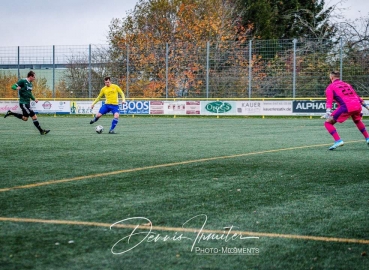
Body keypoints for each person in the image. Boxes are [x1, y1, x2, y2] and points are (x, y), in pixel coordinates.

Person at [322, 71, 369, 150]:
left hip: (346, 106)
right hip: (357, 105)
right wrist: (367, 107)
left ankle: (338, 140)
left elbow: (329, 100)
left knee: (328, 123)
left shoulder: (331, 87)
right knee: (357, 121)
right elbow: (357, 96)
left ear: (331, 77)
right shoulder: (347, 85)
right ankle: (367, 138)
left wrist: (328, 111)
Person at [4, 71, 50, 135]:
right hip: (23, 103)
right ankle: (41, 131)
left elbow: (29, 93)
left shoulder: (30, 84)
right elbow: (13, 86)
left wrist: (34, 99)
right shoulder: (23, 81)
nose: (34, 78)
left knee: (25, 118)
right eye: (34, 77)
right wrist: (16, 88)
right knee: (34, 116)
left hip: (27, 103)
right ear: (30, 76)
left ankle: (10, 113)